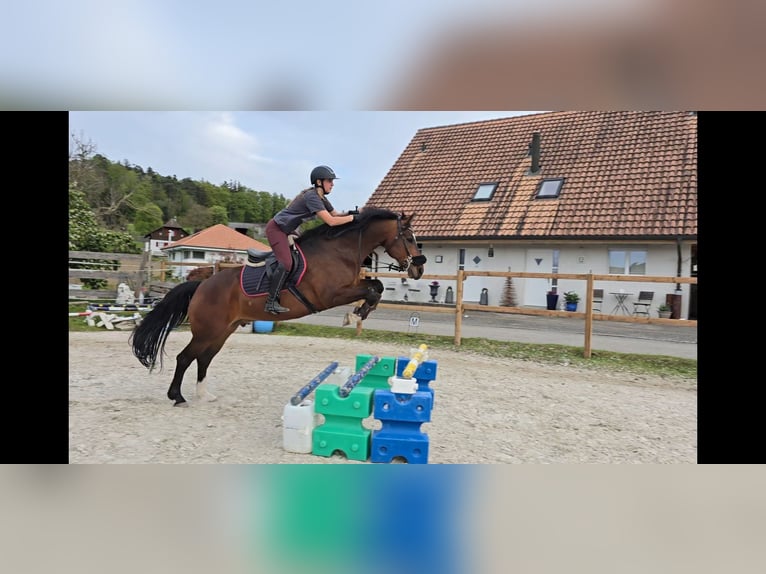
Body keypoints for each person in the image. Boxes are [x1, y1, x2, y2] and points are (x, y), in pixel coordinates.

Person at [264, 165, 358, 314]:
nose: (332, 184)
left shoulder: (321, 198)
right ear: (319, 182)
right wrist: (353, 218)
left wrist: (351, 213)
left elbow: (336, 215)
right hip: (276, 230)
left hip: (288, 231)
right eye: (330, 181)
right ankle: (271, 302)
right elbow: (331, 222)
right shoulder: (312, 197)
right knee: (287, 263)